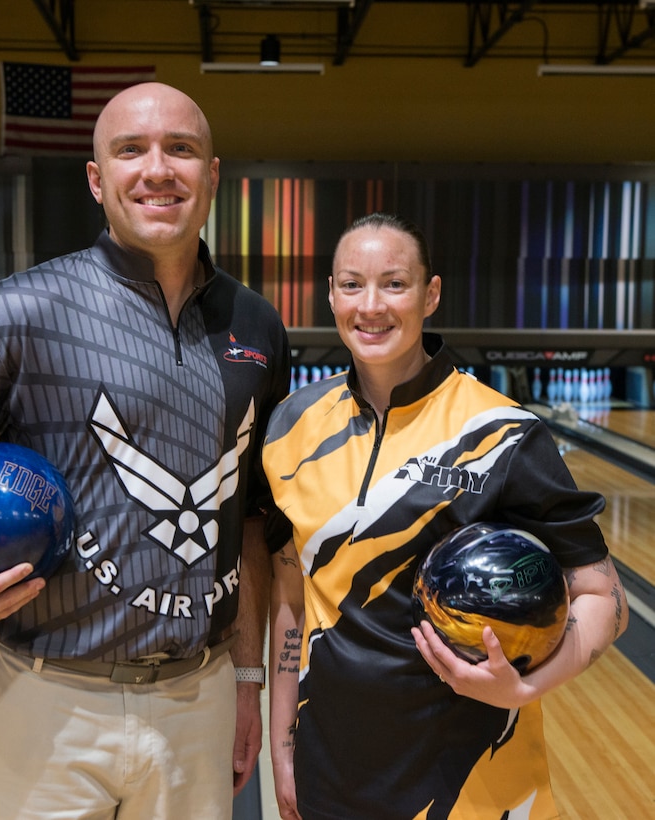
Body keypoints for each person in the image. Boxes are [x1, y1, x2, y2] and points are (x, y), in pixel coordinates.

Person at [0, 82, 290, 819]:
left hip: (201, 698)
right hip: (42, 699)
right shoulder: (18, 312)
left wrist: (248, 680)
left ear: (213, 175)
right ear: (98, 180)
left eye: (180, 150)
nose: (157, 169)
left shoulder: (256, 323)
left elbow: (251, 518)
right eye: (131, 150)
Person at [262, 212, 628, 819]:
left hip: (474, 780)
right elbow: (290, 597)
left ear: (430, 295)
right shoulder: (290, 426)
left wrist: (530, 684)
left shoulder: (504, 435)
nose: (371, 304)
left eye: (395, 283)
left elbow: (603, 595)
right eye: (351, 284)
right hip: (333, 767)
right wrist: (283, 745)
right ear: (330, 295)